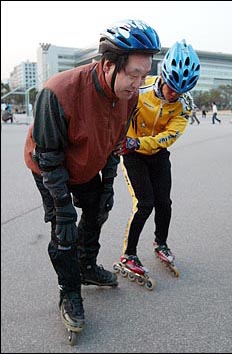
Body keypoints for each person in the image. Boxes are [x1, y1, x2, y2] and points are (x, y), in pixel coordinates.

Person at [23, 20, 161, 335]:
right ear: (109, 65)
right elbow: (49, 156)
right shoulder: (58, 91)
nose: (138, 84)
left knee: (99, 208)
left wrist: (108, 186)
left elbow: (115, 145)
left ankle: (86, 266)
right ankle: (70, 291)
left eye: (144, 75)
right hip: (50, 166)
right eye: (133, 74)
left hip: (85, 163)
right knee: (64, 228)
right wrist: (62, 206)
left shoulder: (130, 96)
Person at [114, 39, 200, 280]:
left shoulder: (185, 104)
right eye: (171, 87)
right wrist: (126, 141)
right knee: (144, 204)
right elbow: (119, 115)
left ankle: (160, 243)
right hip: (132, 155)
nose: (173, 94)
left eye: (180, 91)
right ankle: (128, 254)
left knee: (165, 203)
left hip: (156, 153)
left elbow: (168, 136)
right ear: (162, 76)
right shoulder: (139, 91)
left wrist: (139, 142)